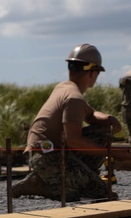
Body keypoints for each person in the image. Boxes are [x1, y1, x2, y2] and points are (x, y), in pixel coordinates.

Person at [12, 44, 124, 200]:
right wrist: (113, 154)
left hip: (47, 151)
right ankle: (38, 184)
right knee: (101, 194)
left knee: (103, 131)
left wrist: (108, 119)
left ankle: (78, 174)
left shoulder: (65, 88)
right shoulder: (73, 97)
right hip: (45, 156)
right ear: (92, 73)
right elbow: (74, 141)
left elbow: (91, 115)